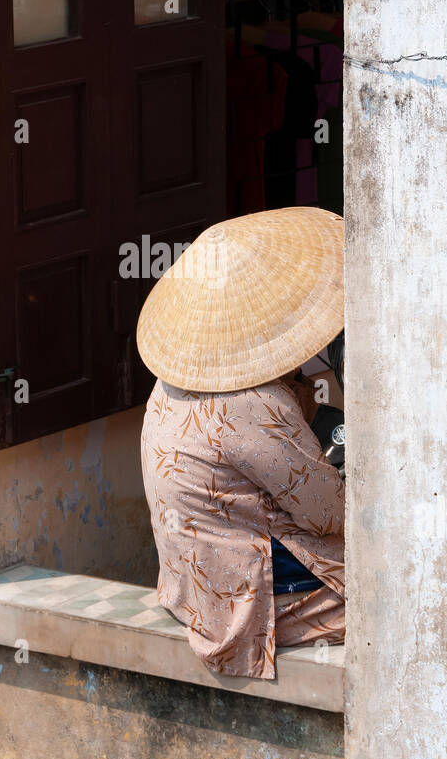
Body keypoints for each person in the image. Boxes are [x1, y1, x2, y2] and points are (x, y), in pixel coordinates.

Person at [136, 206, 345, 681]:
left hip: (190, 586)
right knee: (398, 584)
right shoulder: (253, 401)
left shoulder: (174, 381)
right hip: (246, 604)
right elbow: (328, 512)